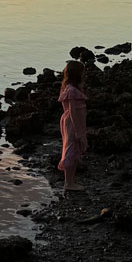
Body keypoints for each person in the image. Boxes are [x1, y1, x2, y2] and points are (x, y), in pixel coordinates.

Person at [57, 60, 89, 191]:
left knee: (76, 150)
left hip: (76, 122)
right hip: (72, 123)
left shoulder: (72, 88)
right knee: (71, 149)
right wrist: (78, 131)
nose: (84, 75)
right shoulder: (70, 90)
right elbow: (72, 111)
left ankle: (71, 181)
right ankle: (68, 183)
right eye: (82, 72)